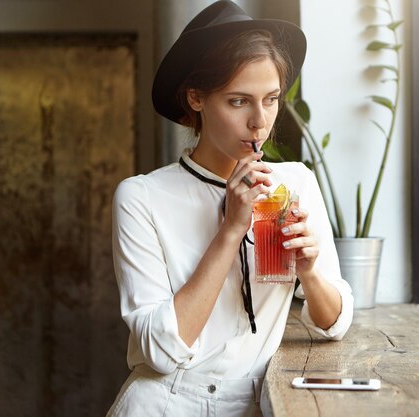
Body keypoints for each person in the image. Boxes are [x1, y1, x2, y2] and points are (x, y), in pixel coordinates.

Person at [106, 1, 354, 416]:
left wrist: (309, 272)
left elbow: (334, 325)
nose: (260, 122)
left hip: (264, 402)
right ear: (197, 98)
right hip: (167, 402)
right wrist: (230, 229)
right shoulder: (141, 197)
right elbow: (163, 351)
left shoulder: (294, 184)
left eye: (271, 99)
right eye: (239, 101)